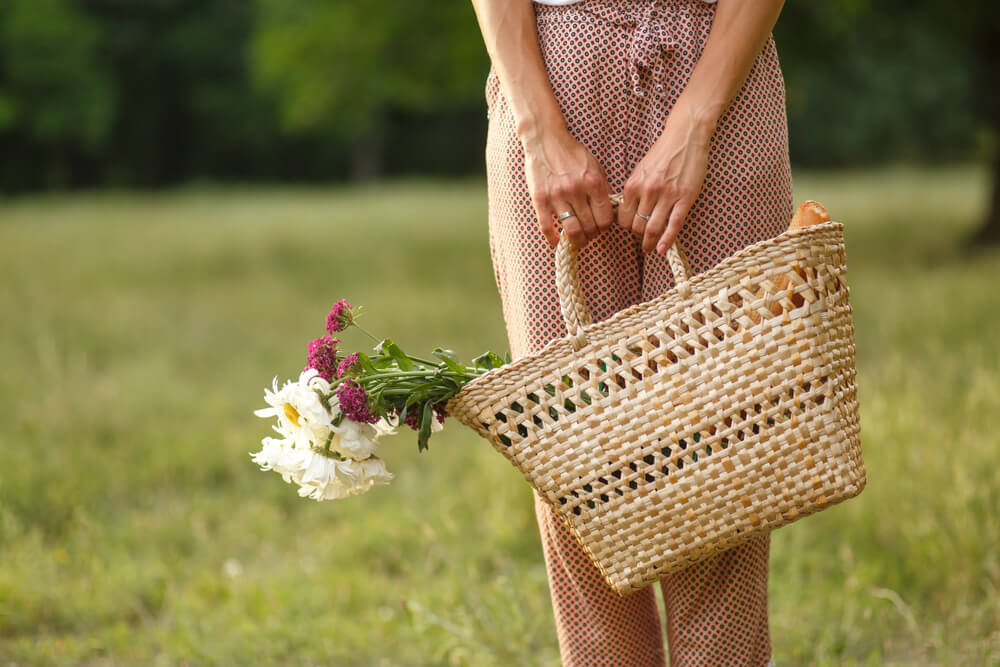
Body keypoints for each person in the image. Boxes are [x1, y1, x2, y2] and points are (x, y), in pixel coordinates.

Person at [469, 0, 790, 664]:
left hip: (719, 65)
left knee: (725, 449)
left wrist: (696, 124)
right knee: (575, 459)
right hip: (552, 69)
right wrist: (538, 128)